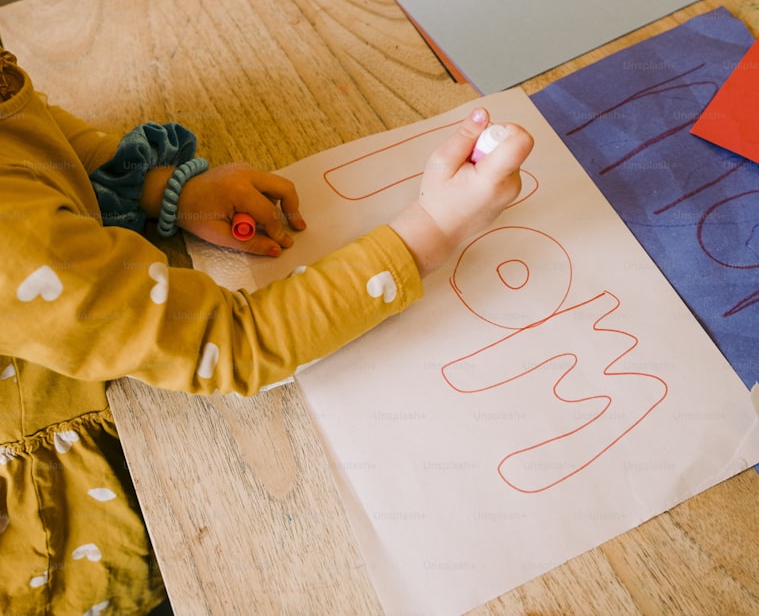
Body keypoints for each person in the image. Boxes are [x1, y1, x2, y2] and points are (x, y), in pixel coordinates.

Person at [0, 42, 533, 614]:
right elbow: (231, 342)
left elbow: (32, 132)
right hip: (65, 530)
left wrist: (163, 190)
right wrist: (433, 228)